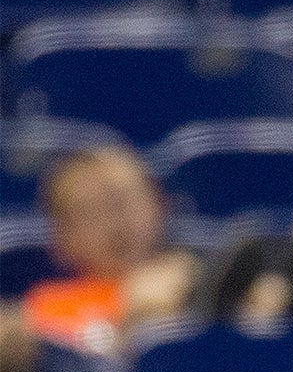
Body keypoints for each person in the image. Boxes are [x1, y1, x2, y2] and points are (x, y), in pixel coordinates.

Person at [20, 146, 198, 355]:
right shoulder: (46, 310)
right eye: (90, 213)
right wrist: (132, 317)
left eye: (121, 202)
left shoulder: (199, 283)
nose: (113, 223)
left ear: (158, 203)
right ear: (61, 238)